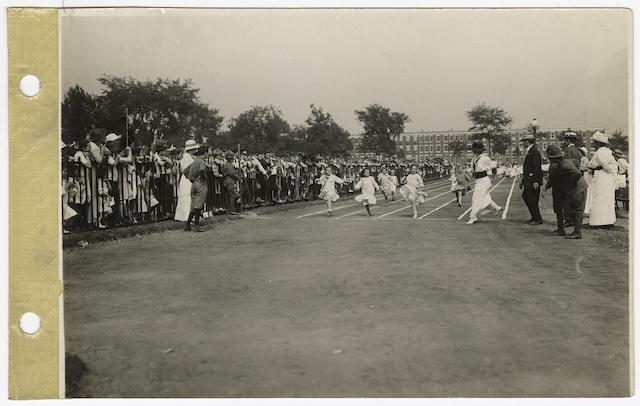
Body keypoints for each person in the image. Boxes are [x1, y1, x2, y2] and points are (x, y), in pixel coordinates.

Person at [542, 145, 588, 239]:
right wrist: (546, 188)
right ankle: (561, 230)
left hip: (578, 187)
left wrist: (569, 184)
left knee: (577, 210)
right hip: (571, 188)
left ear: (553, 158)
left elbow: (577, 174)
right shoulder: (557, 165)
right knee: (560, 207)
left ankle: (577, 232)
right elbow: (552, 178)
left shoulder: (565, 164)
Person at [587, 131, 617, 227]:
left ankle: (598, 222)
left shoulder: (599, 153)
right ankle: (608, 220)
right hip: (608, 178)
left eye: (595, 142)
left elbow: (592, 164)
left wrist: (593, 167)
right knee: (607, 198)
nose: (593, 144)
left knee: (598, 198)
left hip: (600, 177)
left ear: (599, 143)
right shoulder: (608, 152)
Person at [467, 140, 502, 224]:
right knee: (485, 198)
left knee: (476, 198)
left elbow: (493, 165)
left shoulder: (484, 158)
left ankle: (473, 217)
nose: (473, 151)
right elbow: (473, 169)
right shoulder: (474, 158)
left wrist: (493, 174)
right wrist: (471, 173)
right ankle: (497, 208)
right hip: (478, 180)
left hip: (484, 181)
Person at [519, 133, 543, 225]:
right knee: (527, 197)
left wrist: (536, 181)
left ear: (528, 142)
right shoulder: (530, 152)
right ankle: (534, 216)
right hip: (529, 181)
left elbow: (537, 168)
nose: (523, 144)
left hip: (532, 181)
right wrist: (523, 181)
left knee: (532, 199)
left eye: (524, 142)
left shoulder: (534, 152)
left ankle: (537, 218)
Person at [185, 145, 208, 232]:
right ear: (205, 153)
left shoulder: (195, 161)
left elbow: (185, 171)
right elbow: (202, 170)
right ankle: (197, 225)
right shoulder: (201, 161)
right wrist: (204, 177)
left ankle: (187, 225)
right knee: (198, 205)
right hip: (201, 183)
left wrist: (192, 180)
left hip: (194, 184)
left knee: (193, 205)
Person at [174, 140, 198, 221]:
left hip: (185, 178)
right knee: (188, 196)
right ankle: (187, 216)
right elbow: (187, 169)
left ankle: (183, 216)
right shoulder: (187, 157)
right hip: (187, 178)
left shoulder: (187, 156)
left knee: (186, 196)